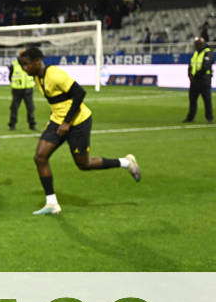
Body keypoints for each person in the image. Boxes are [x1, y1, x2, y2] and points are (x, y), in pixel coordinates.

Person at [18, 47, 141, 216]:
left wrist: (67, 122)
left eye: (26, 64)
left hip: (78, 121)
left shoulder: (54, 74)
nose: (24, 69)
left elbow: (79, 93)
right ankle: (52, 203)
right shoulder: (38, 77)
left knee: (84, 164)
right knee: (40, 157)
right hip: (58, 121)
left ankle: (126, 162)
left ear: (37, 62)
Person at [185, 36, 213, 123]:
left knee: (207, 100)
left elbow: (206, 66)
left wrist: (195, 75)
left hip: (204, 79)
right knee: (192, 100)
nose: (195, 45)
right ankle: (190, 118)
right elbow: (191, 64)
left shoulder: (207, 53)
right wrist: (190, 74)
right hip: (195, 80)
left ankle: (209, 118)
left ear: (201, 44)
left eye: (197, 44)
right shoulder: (196, 53)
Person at [7, 54, 37, 130]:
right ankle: (12, 125)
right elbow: (10, 76)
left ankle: (32, 124)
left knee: (30, 108)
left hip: (28, 88)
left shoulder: (30, 63)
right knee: (14, 108)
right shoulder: (14, 64)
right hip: (17, 89)